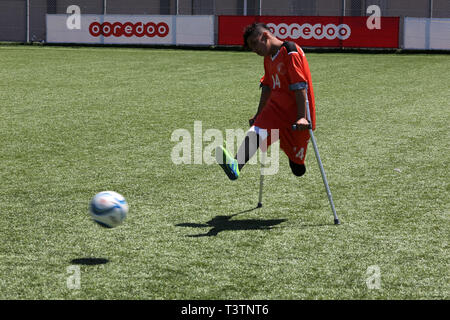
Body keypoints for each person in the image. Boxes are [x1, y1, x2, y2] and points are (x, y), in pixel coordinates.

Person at [215, 22, 316, 181]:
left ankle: (296, 158)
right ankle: (236, 165)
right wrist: (258, 114)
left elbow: (300, 86)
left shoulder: (290, 51)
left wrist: (302, 116)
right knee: (256, 131)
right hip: (275, 109)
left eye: (255, 44)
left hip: (295, 113)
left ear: (265, 36)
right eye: (251, 47)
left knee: (297, 168)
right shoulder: (268, 58)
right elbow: (267, 87)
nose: (254, 50)